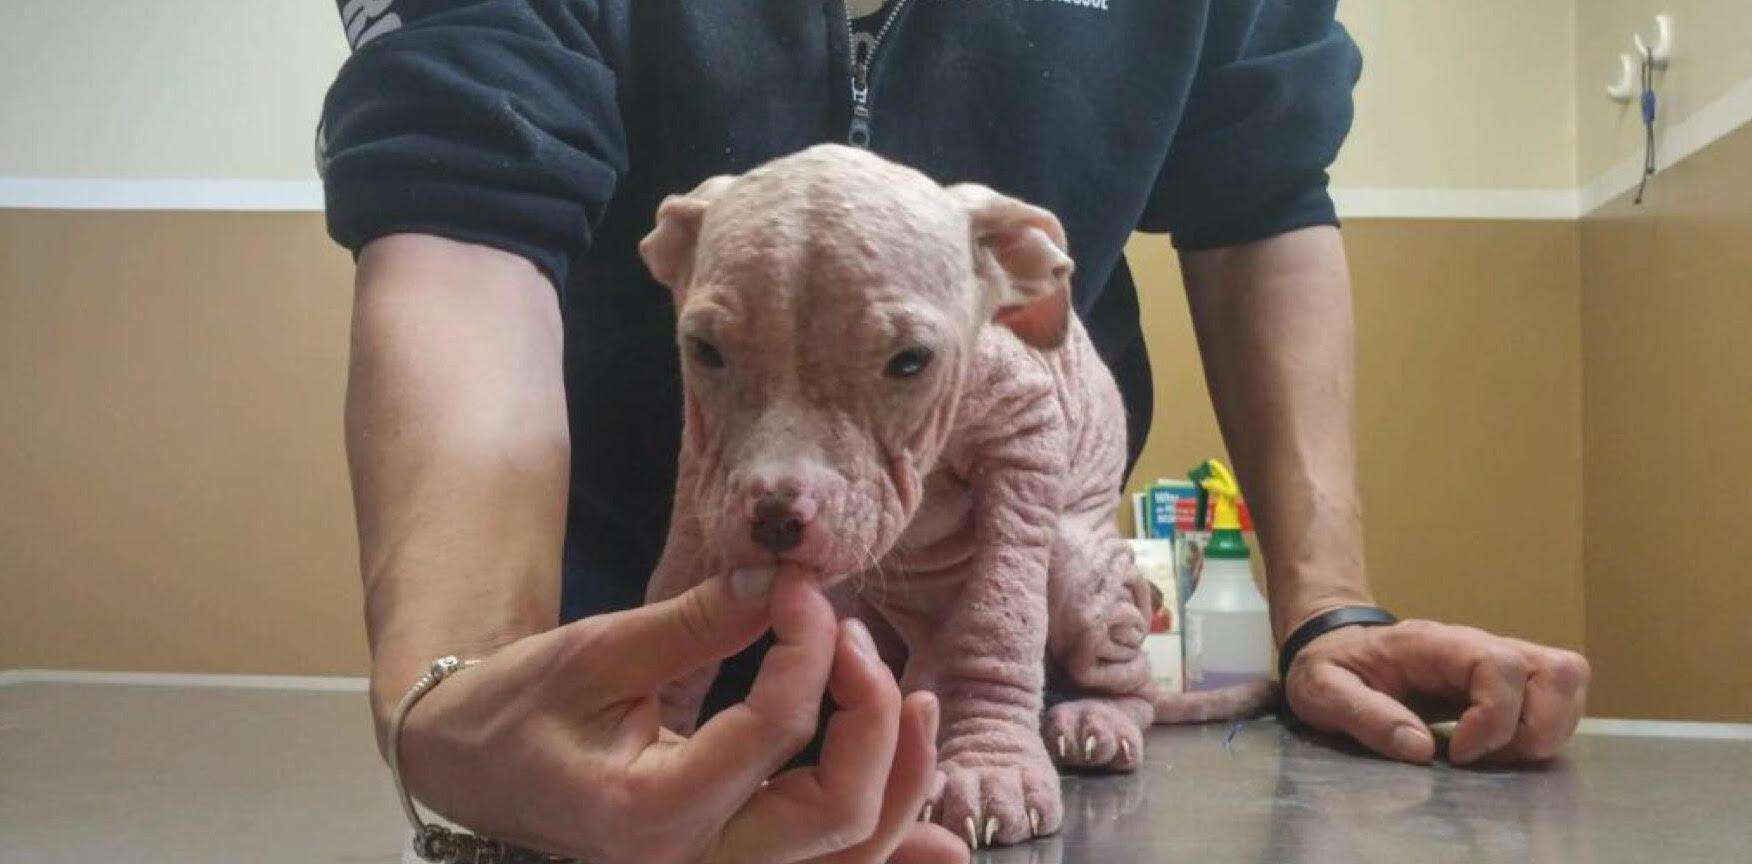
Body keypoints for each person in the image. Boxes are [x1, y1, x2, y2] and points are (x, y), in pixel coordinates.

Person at [320, 2, 1592, 862]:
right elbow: (463, 190)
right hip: (618, 665)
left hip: (996, 674)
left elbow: (1261, 193)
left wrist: (1331, 610)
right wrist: (464, 685)